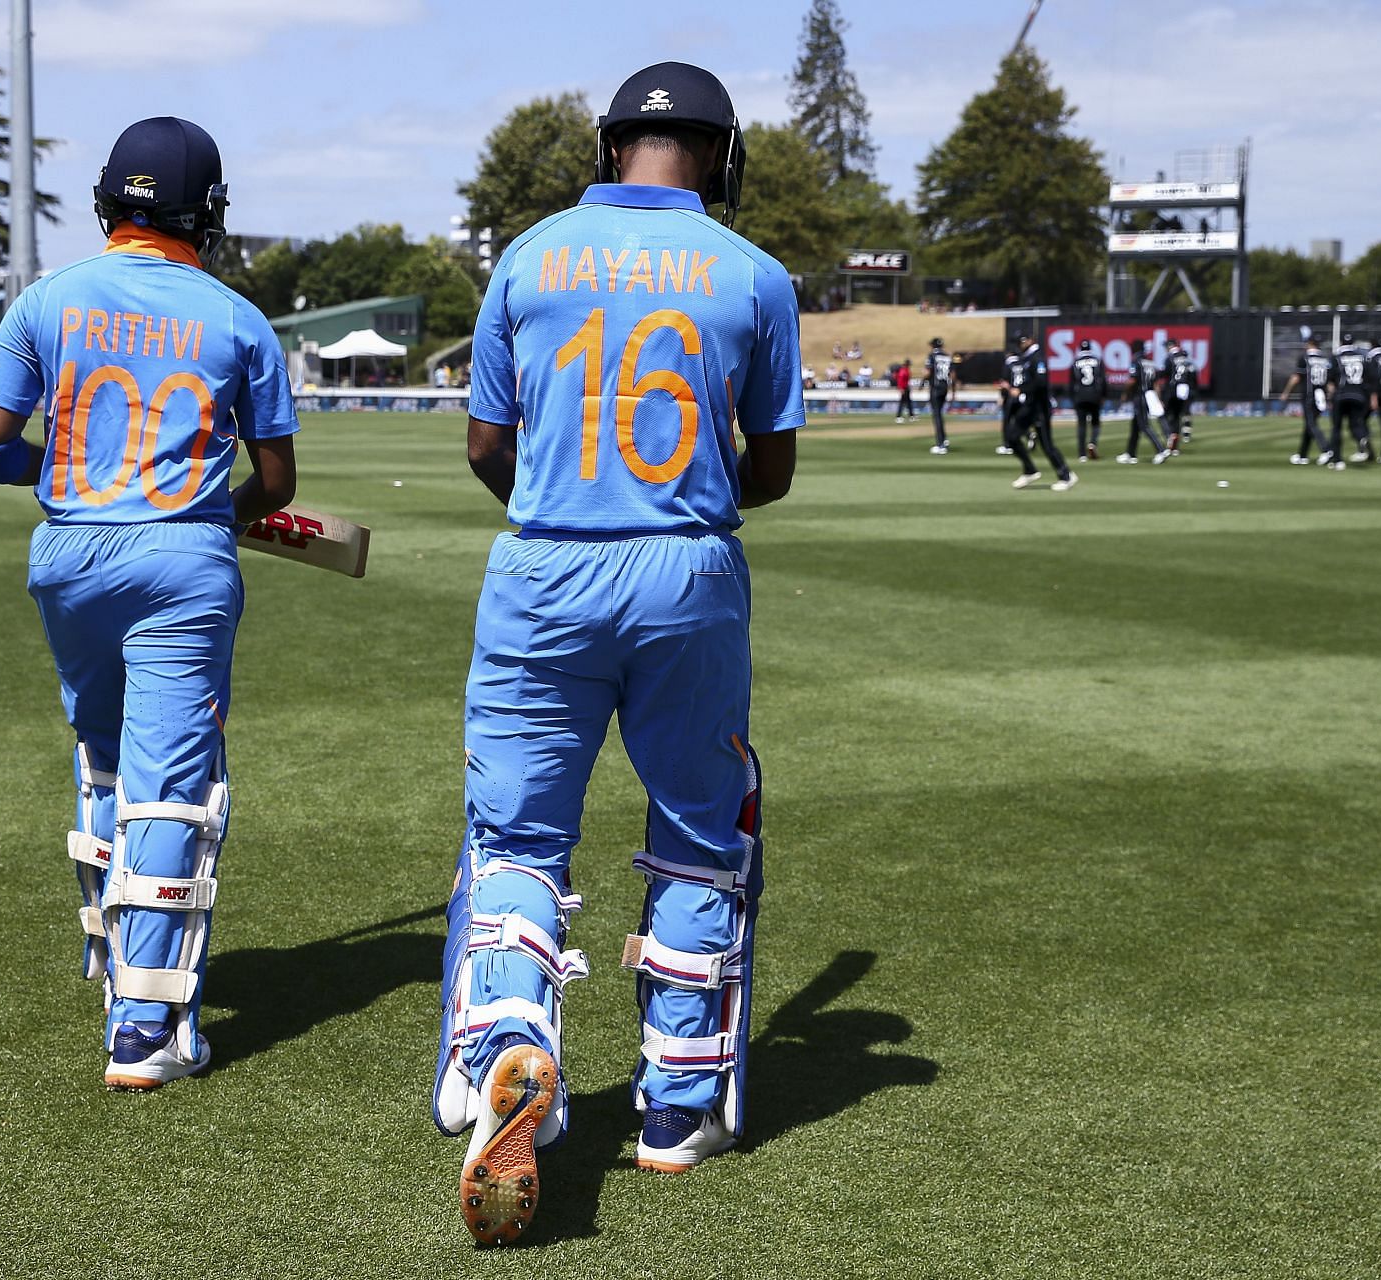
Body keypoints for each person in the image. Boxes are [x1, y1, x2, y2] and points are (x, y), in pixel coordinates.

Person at [438, 61, 799, 1246]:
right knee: (700, 828)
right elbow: (775, 469)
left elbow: (489, 442)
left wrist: (558, 496)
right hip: (686, 571)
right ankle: (677, 1111)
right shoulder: (756, 275)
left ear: (607, 148)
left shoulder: (529, 254)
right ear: (721, 153)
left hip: (542, 569)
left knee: (520, 834)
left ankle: (512, 1042)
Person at [0, 117, 299, 1088]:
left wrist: (72, 471)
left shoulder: (46, 300)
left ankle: (108, 952)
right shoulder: (238, 318)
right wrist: (216, 509)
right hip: (182, 556)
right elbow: (274, 480)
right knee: (170, 775)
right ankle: (147, 1027)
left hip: (67, 555)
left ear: (108, 199)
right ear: (210, 213)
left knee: (106, 753)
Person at [1002, 333, 1076, 490]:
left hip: (1040, 408)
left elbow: (1041, 382)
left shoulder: (1037, 357)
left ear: (1030, 340)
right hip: (1029, 406)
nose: (1020, 345)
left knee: (1047, 445)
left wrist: (1021, 389)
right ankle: (1030, 470)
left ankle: (1066, 475)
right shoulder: (1028, 358)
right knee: (1012, 437)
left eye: (1022, 342)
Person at [1280, 330, 1337, 466]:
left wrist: (1286, 392)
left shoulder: (1304, 358)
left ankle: (1327, 450)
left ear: (1309, 343)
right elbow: (1330, 383)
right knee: (1309, 425)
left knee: (1311, 424)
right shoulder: (1325, 359)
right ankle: (1303, 455)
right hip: (1321, 396)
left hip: (1309, 395)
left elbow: (1296, 377)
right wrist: (1331, 397)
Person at [1116, 340, 1170, 464]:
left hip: (1140, 395)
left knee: (1144, 425)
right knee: (1135, 426)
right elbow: (1156, 383)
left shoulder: (1136, 361)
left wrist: (1125, 393)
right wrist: (1158, 398)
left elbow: (1132, 380)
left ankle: (1161, 450)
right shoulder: (1150, 361)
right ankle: (1130, 453)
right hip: (1150, 394)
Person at [1329, 332, 1377, 464]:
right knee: (1356, 424)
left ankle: (1337, 460)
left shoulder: (1337, 357)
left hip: (1341, 395)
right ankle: (1362, 438)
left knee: (1337, 428)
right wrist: (1372, 396)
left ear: (1341, 342)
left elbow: (1331, 380)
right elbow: (1371, 379)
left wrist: (1330, 397)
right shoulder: (1363, 357)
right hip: (1359, 395)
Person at [1070, 338, 1105, 460]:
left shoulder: (1075, 362)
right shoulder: (1098, 361)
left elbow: (1071, 382)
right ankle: (1092, 443)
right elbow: (1103, 380)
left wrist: (1072, 398)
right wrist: (1104, 396)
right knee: (1095, 423)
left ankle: (1081, 454)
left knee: (1081, 425)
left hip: (1080, 396)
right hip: (1094, 395)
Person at [1160, 336, 1194, 453]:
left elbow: (1165, 373)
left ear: (1170, 346)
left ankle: (1170, 437)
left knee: (1167, 414)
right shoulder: (1184, 357)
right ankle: (1176, 441)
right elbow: (1192, 373)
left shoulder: (1169, 358)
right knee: (1178, 416)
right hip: (1185, 388)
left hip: (1173, 389)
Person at [923, 338, 955, 454]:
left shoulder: (932, 355)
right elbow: (953, 374)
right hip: (944, 387)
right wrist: (953, 391)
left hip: (935, 388)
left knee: (936, 415)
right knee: (940, 414)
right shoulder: (947, 356)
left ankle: (941, 444)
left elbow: (927, 372)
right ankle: (944, 439)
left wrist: (922, 382)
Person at [894, 358, 915, 422]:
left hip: (906, 387)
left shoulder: (906, 370)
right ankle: (898, 416)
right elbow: (900, 380)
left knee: (908, 402)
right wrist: (901, 388)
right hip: (904, 388)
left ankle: (911, 415)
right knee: (902, 403)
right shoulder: (903, 370)